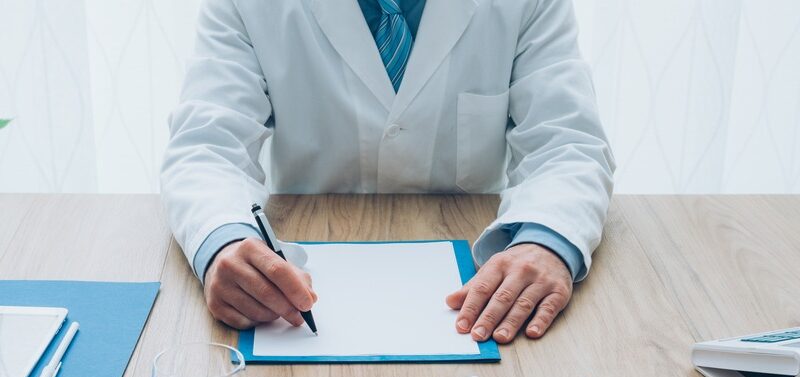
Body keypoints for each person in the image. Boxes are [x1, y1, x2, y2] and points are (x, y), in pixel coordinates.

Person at [161, 0, 614, 344]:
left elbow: (566, 142)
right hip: (301, 284)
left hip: (473, 283)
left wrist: (546, 240)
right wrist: (223, 241)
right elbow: (207, 146)